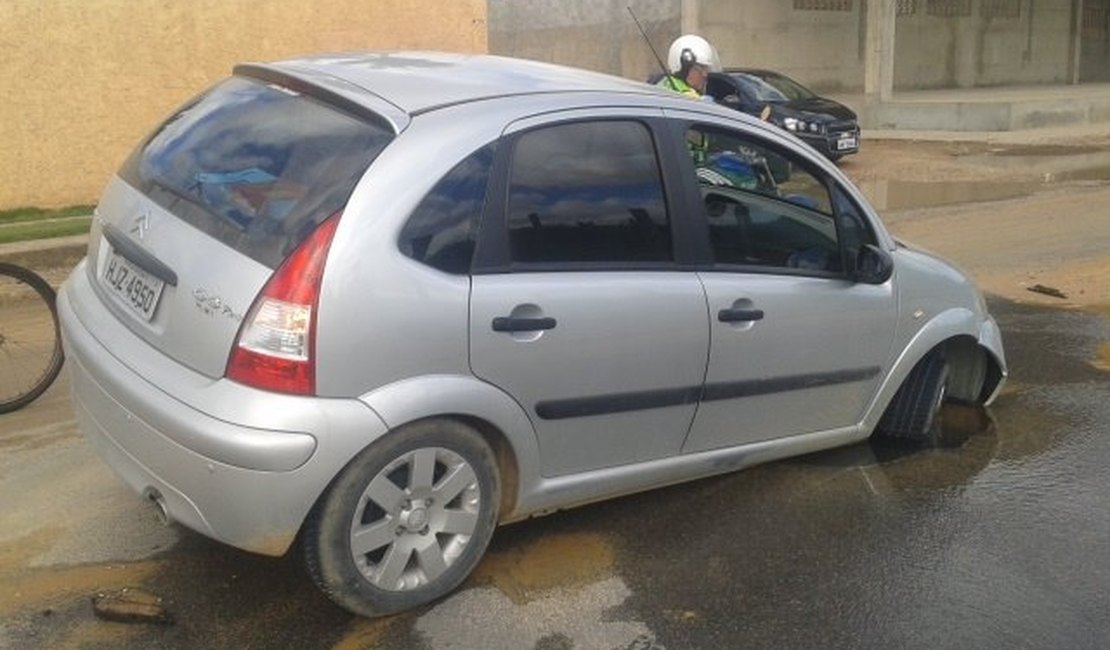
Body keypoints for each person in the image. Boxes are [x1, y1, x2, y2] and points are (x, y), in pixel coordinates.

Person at [656, 34, 721, 99]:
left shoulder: (664, 84)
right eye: (698, 69)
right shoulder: (689, 98)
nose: (705, 74)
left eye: (706, 69)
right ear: (683, 71)